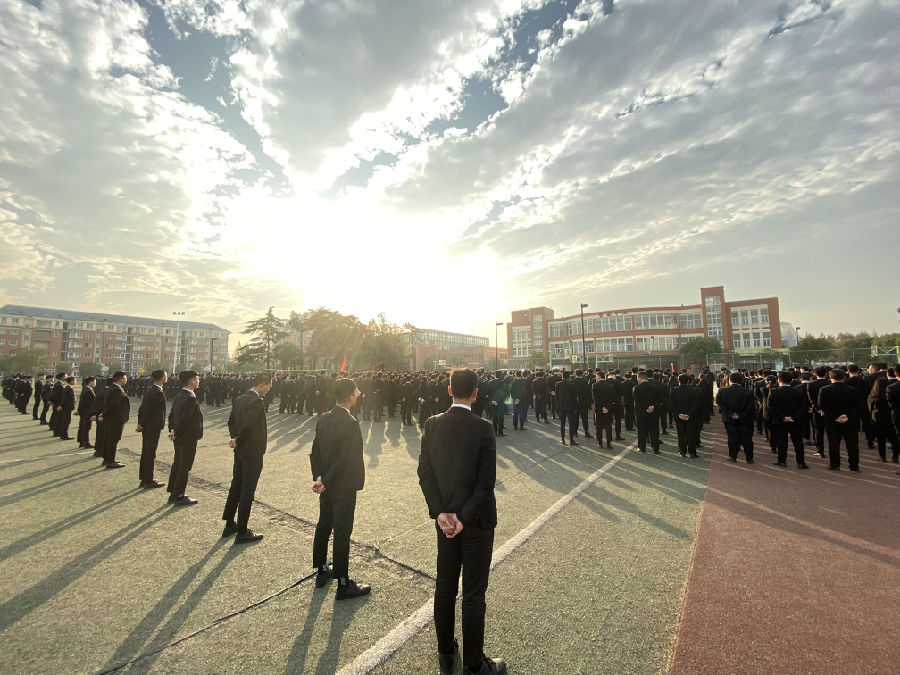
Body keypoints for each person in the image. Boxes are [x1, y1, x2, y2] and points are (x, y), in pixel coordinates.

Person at [418, 368, 505, 675]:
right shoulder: (483, 427)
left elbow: (424, 474)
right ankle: (473, 663)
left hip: (446, 522)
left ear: (449, 390)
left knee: (444, 586)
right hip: (476, 522)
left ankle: (445, 651)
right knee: (472, 592)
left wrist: (441, 512)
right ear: (476, 393)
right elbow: (486, 481)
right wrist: (464, 517)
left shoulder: (432, 423)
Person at [310, 377, 369, 600]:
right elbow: (345, 458)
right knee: (342, 532)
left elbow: (315, 451)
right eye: (355, 391)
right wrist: (326, 480)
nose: (357, 395)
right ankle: (343, 583)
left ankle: (322, 570)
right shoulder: (350, 423)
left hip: (326, 483)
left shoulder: (324, 418)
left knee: (324, 525)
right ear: (350, 395)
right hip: (341, 485)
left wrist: (319, 477)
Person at [223, 373, 273, 543]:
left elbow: (231, 422)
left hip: (240, 450)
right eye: (268, 386)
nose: (268, 389)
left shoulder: (240, 399)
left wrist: (235, 438)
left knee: (236, 485)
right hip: (252, 451)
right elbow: (249, 426)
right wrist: (239, 439)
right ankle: (242, 530)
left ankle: (230, 523)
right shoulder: (256, 401)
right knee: (247, 490)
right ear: (262, 384)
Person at [167, 370, 204, 505]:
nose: (198, 381)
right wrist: (176, 431)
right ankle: (179, 495)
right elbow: (185, 420)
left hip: (179, 436)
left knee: (178, 463)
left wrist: (172, 430)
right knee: (185, 466)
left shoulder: (180, 395)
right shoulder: (190, 398)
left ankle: (173, 492)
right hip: (187, 436)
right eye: (197, 379)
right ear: (191, 381)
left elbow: (172, 416)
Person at [818, 368, 860, 471]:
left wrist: (835, 417)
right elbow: (857, 406)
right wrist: (847, 416)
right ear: (844, 377)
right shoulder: (852, 390)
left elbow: (822, 406)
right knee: (852, 444)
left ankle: (834, 464)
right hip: (849, 420)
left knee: (833, 443)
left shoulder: (824, 389)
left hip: (832, 421)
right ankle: (854, 465)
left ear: (830, 377)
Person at [766, 371, 809, 469]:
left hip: (780, 421)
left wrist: (782, 417)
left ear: (779, 380)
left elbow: (770, 407)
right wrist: (793, 417)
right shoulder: (799, 392)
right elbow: (803, 406)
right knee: (798, 442)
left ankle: (782, 461)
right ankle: (801, 462)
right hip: (796, 420)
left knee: (782, 442)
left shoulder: (773, 391)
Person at [136, 370, 168, 488]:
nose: (167, 377)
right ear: (162, 377)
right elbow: (149, 410)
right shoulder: (157, 392)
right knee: (150, 452)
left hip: (147, 425)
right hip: (152, 426)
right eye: (165, 375)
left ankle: (144, 477)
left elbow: (142, 408)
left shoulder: (150, 390)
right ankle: (148, 479)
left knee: (146, 451)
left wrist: (141, 423)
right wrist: (143, 423)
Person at [716, 371, 755, 464]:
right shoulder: (748, 392)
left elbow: (719, 402)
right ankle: (749, 458)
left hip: (729, 418)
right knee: (747, 438)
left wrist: (729, 413)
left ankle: (733, 456)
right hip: (745, 418)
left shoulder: (722, 391)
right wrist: (741, 415)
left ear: (730, 380)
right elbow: (751, 406)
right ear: (741, 381)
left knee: (732, 437)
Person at [101, 371, 129, 469]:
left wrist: (104, 414)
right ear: (121, 379)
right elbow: (114, 405)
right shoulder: (117, 390)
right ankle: (110, 461)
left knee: (109, 438)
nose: (126, 380)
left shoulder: (111, 388)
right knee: (113, 439)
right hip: (116, 418)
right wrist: (104, 414)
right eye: (125, 378)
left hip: (111, 418)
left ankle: (107, 458)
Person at [670, 373, 701, 457]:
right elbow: (695, 404)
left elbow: (672, 403)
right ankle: (692, 452)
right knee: (691, 434)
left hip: (679, 416)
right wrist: (688, 414)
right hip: (690, 416)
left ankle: (682, 451)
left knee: (681, 434)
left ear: (678, 381)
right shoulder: (693, 390)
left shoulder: (674, 390)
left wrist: (678, 413)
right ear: (688, 381)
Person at [633, 371, 661, 453]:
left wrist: (646, 407)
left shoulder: (636, 388)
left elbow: (637, 400)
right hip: (653, 412)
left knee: (641, 431)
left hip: (641, 413)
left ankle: (642, 448)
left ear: (639, 378)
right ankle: (655, 449)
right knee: (654, 431)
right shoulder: (655, 387)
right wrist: (653, 406)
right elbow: (659, 399)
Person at [555, 370, 579, 446]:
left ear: (562, 376)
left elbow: (556, 397)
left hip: (561, 406)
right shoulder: (572, 384)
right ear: (569, 376)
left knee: (562, 424)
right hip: (570, 407)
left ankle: (563, 439)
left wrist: (557, 407)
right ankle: (571, 440)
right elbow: (574, 397)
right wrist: (575, 407)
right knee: (571, 423)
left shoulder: (558, 384)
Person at [75, 376, 96, 449]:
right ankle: (86, 442)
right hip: (87, 412)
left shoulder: (86, 389)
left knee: (82, 426)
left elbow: (82, 402)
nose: (95, 383)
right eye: (94, 381)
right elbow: (84, 403)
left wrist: (79, 410)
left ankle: (81, 441)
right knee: (86, 427)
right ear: (91, 382)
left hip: (84, 411)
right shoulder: (88, 391)